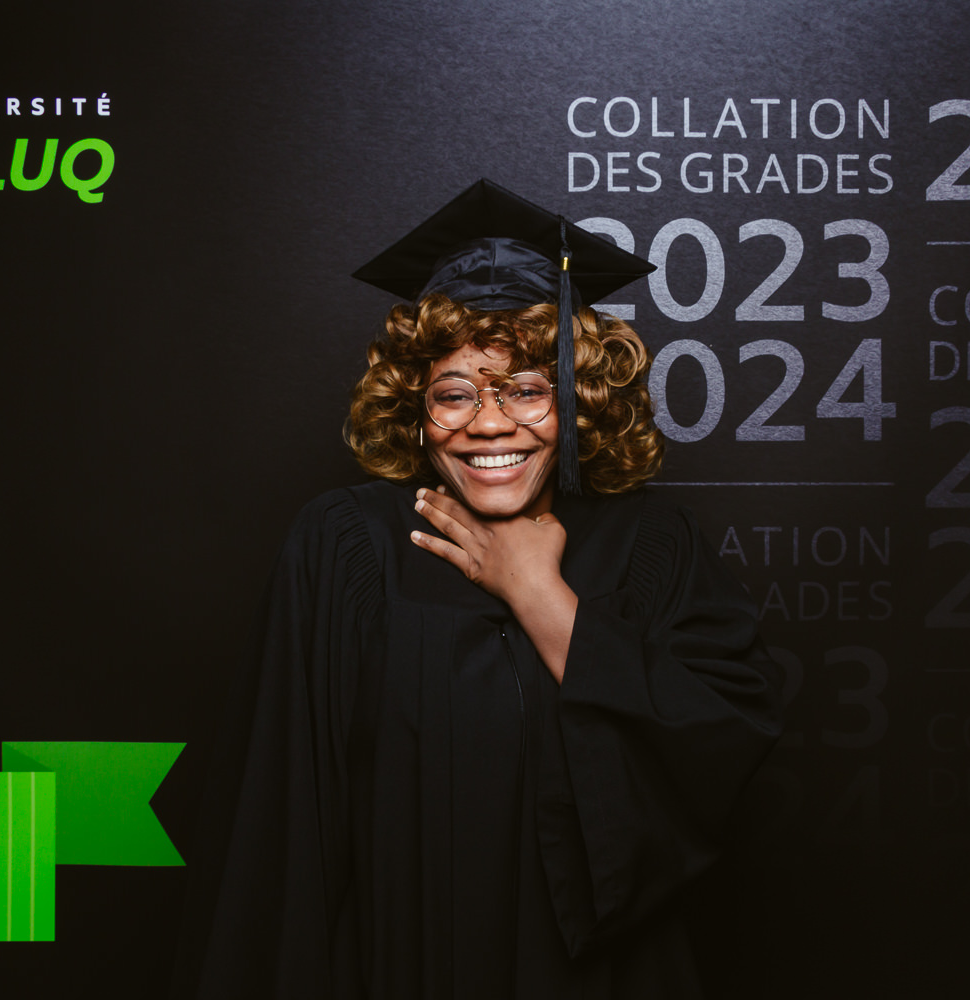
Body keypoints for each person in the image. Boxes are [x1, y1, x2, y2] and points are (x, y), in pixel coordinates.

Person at [175, 180, 783, 999]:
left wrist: (539, 593)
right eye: (454, 393)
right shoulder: (347, 545)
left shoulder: (649, 545)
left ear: (577, 401)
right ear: (415, 408)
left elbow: (716, 748)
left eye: (527, 390)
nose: (489, 424)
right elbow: (281, 823)